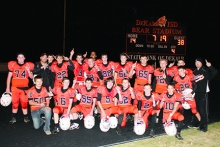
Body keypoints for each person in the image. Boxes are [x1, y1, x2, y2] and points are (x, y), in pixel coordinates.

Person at [6, 53, 34, 124]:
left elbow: (31, 77)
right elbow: (9, 77)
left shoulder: (28, 66)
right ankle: (13, 117)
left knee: (24, 103)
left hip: (24, 88)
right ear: (17, 58)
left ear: (24, 58)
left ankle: (25, 117)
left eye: (22, 57)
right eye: (19, 57)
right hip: (14, 88)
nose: (20, 58)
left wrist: (28, 70)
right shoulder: (13, 65)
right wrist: (7, 88)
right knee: (14, 103)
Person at [191, 58, 218, 132]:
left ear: (202, 63)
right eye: (196, 62)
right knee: (196, 109)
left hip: (203, 93)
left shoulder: (205, 71)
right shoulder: (194, 72)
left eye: (199, 62)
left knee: (203, 110)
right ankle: (198, 124)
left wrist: (210, 66)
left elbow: (215, 73)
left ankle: (204, 126)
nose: (197, 63)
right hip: (195, 93)